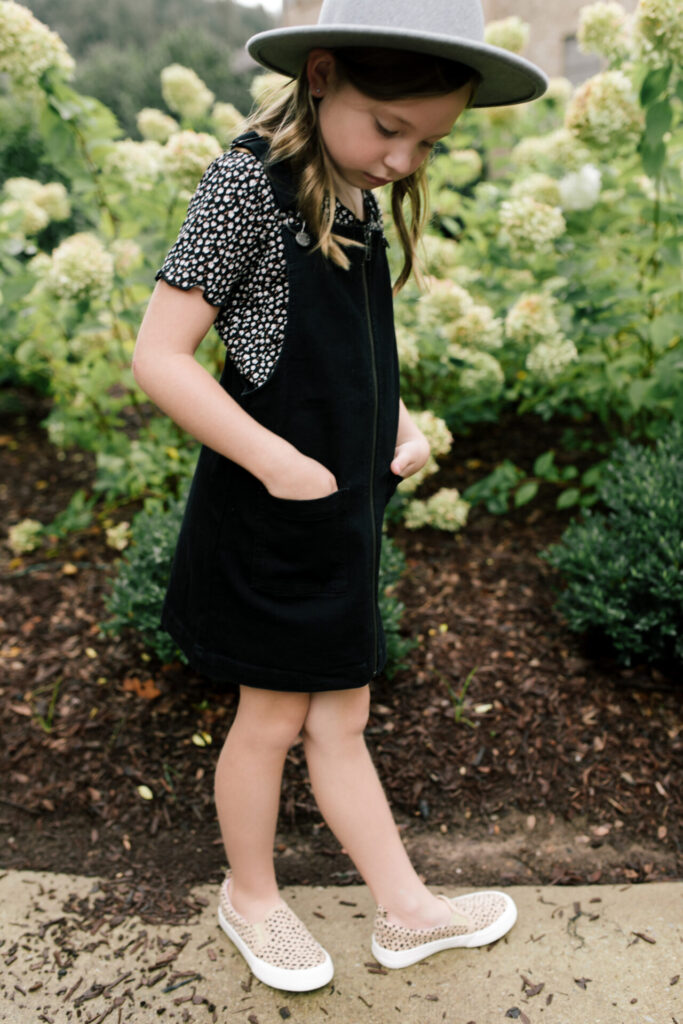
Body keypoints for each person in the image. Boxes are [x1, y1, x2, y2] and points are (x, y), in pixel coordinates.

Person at [133, 0, 547, 995]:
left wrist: (394, 422)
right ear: (318, 76)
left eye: (426, 143)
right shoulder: (246, 185)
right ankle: (251, 896)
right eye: (387, 127)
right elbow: (159, 356)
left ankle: (405, 910)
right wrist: (275, 462)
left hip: (340, 518)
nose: (401, 160)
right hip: (271, 521)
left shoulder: (353, 188)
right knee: (270, 719)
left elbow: (359, 347)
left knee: (342, 718)